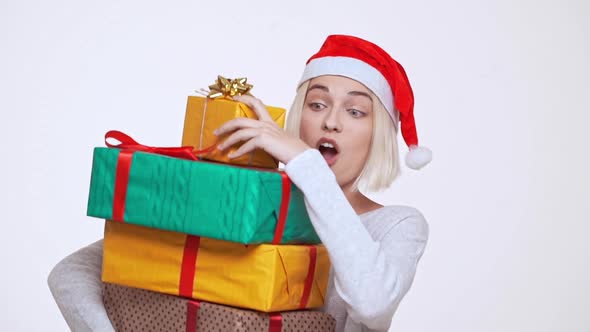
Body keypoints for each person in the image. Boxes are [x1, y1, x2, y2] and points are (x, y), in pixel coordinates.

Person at [48, 34, 432, 332]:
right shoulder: (255, 206)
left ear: (377, 134)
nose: (331, 122)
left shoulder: (397, 225)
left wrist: (305, 165)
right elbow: (70, 273)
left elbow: (373, 303)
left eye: (355, 110)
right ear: (299, 119)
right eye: (317, 105)